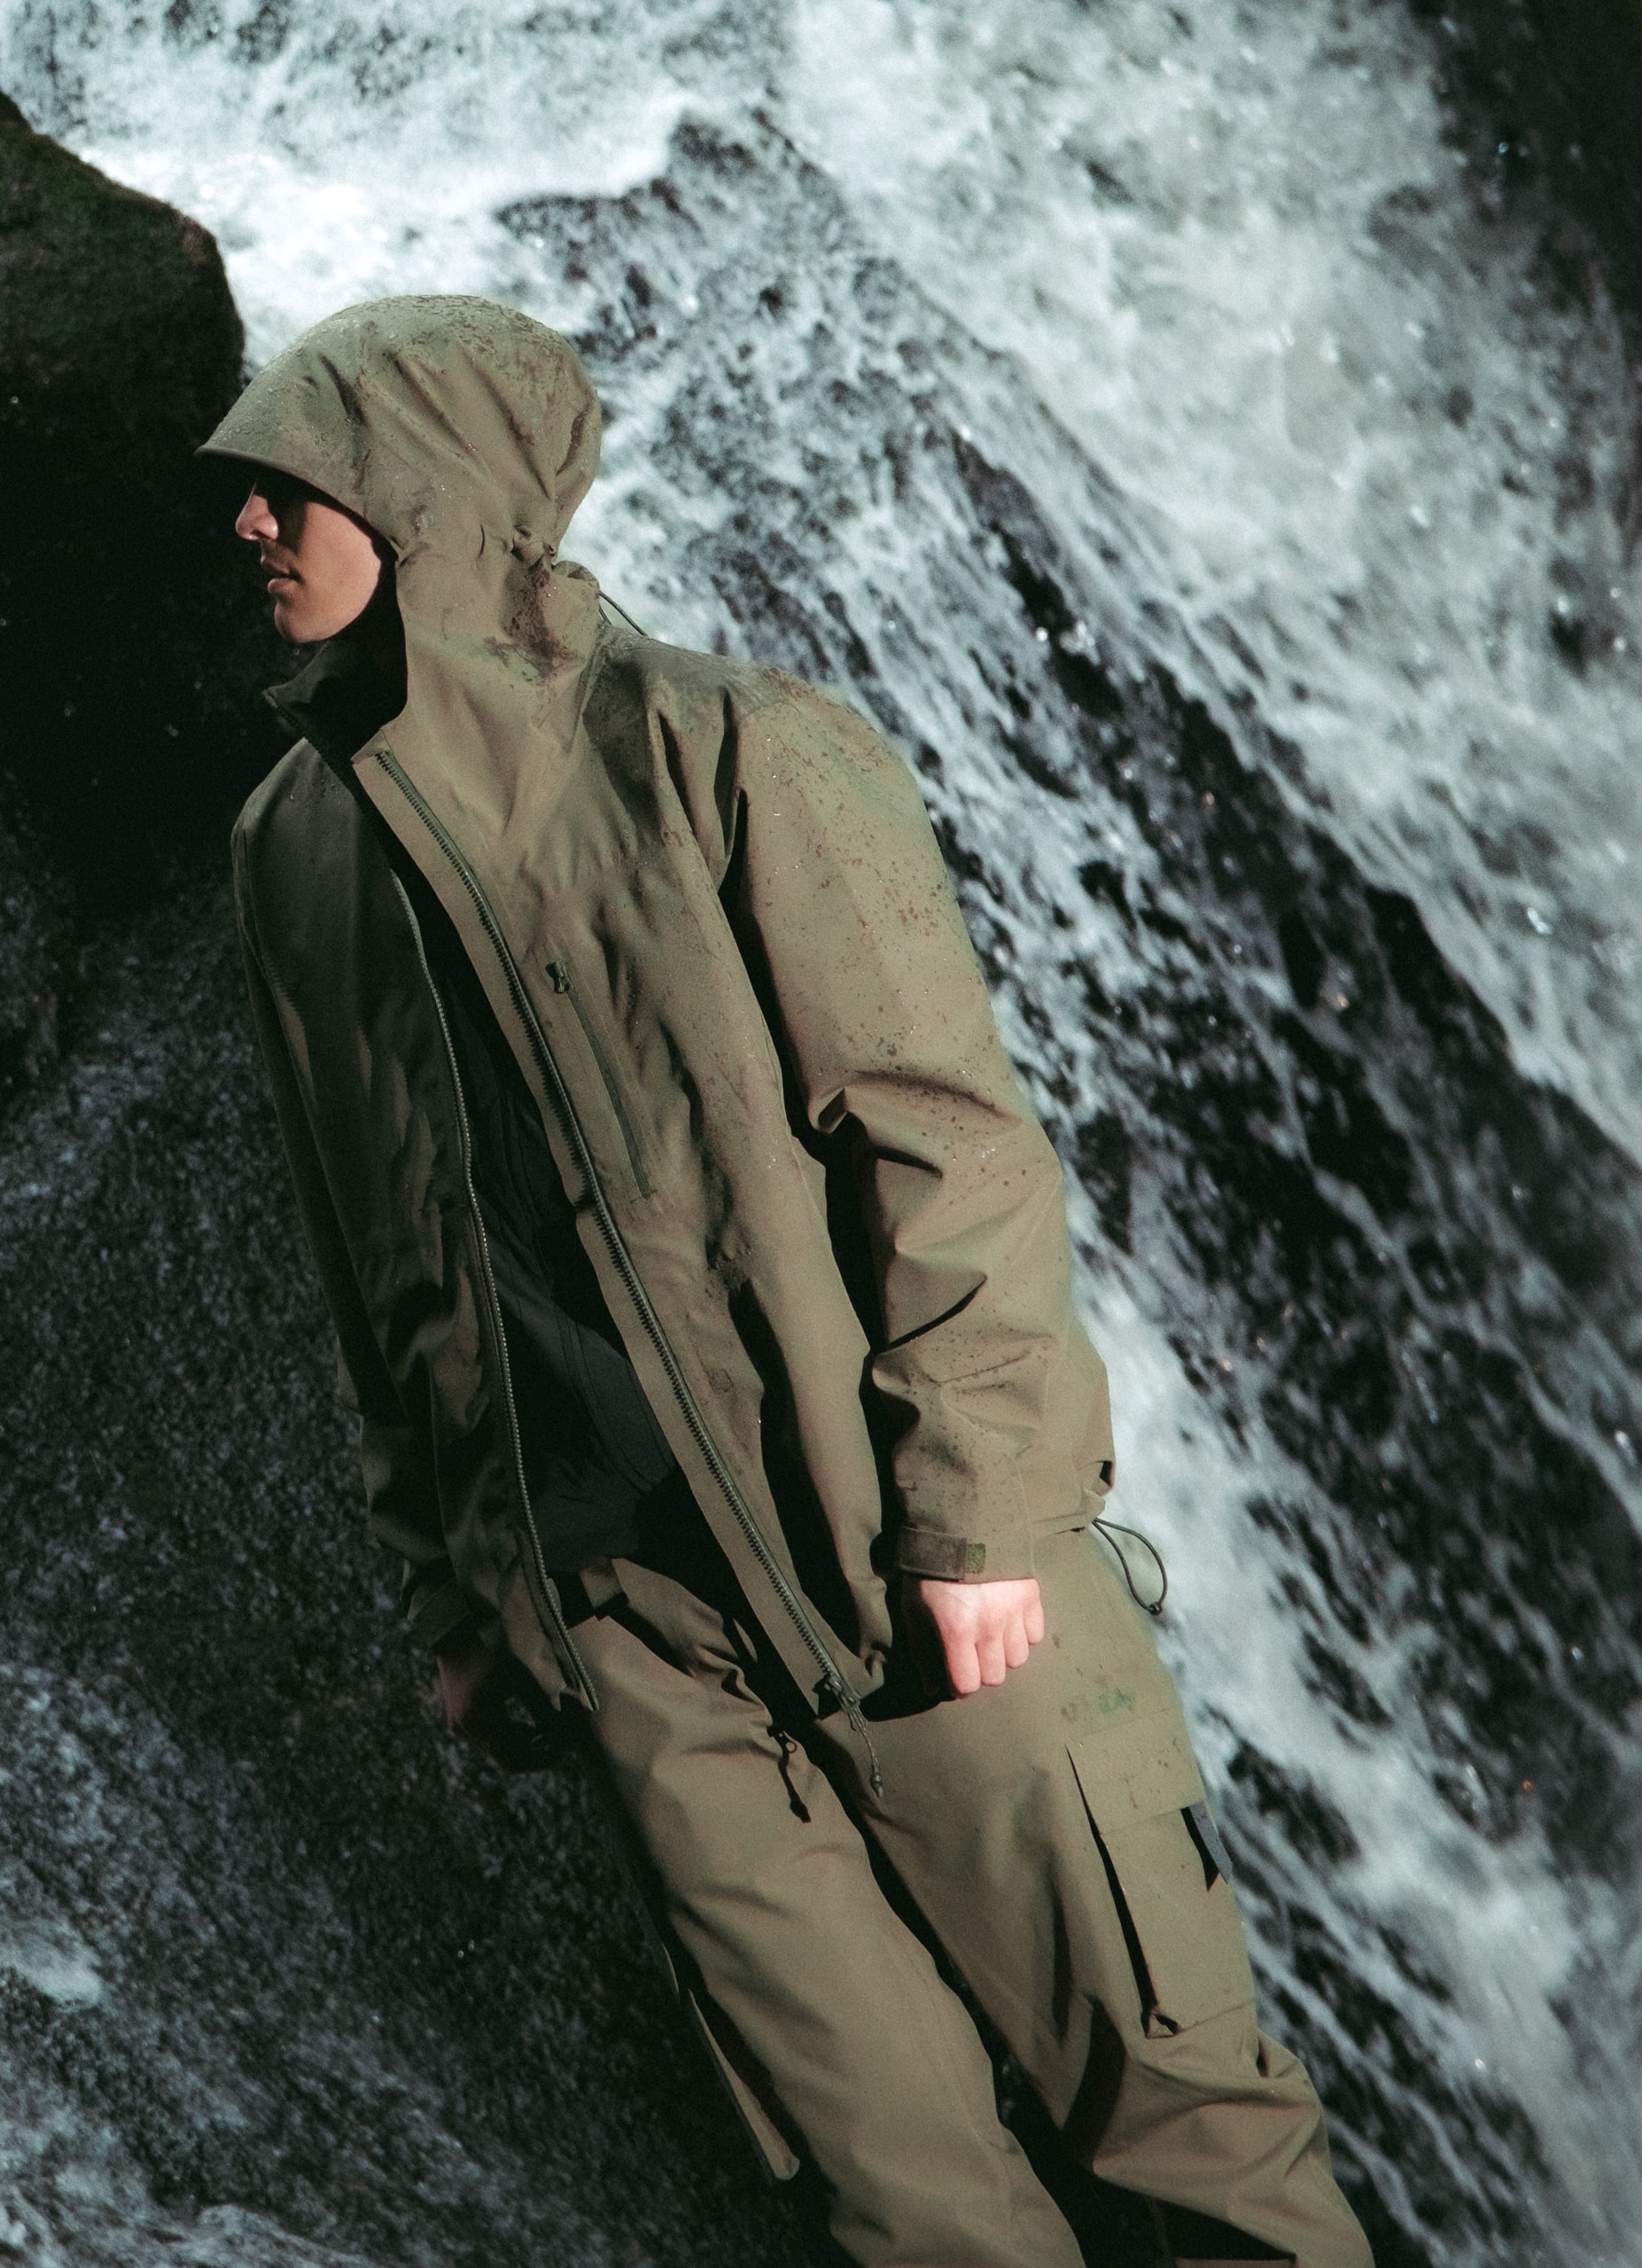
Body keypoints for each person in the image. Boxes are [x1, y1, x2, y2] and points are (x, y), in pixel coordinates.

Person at [214, 294, 1372, 2268]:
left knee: (1191, 2141)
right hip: (645, 1645)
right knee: (900, 2210)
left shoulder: (737, 750)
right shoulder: (291, 855)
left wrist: (987, 1507)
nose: (247, 523)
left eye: (287, 480)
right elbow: (377, 1271)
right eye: (237, 491)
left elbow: (951, 1145)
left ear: (432, 495)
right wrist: (466, 1587)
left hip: (925, 1571)